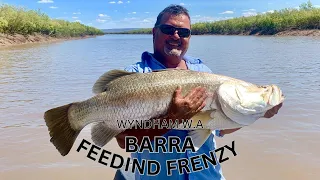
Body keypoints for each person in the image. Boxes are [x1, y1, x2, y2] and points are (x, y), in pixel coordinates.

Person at [113, 4, 283, 180]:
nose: (176, 36)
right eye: (168, 29)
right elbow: (124, 141)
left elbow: (219, 128)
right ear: (154, 32)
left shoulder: (204, 72)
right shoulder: (134, 77)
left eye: (183, 32)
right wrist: (171, 119)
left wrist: (257, 113)